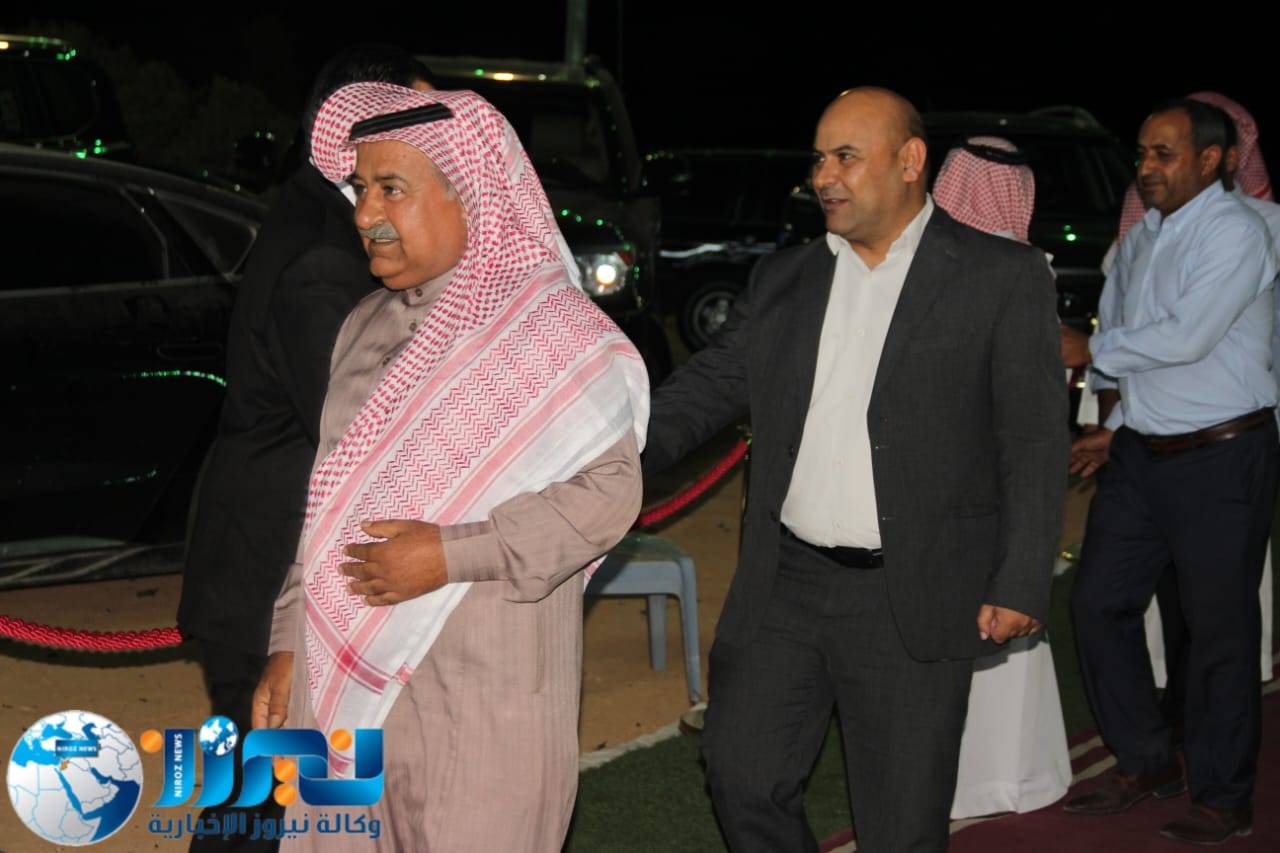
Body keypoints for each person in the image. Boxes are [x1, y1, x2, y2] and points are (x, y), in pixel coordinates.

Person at [642, 87, 1066, 852]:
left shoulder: (998, 276)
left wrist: (1021, 577)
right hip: (786, 583)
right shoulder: (787, 278)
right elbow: (707, 388)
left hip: (911, 592)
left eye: (845, 156)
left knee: (901, 824)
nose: (823, 176)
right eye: (818, 159)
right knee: (741, 774)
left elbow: (1033, 439)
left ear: (910, 161)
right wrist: (606, 449)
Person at [252, 82, 648, 851]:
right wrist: (288, 643)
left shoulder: (552, 333)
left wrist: (448, 554)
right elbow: (327, 512)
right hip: (343, 681)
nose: (364, 214)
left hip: (483, 703)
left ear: (470, 195)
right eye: (360, 189)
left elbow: (608, 495)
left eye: (390, 189)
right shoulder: (360, 327)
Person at [177, 44, 432, 852]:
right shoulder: (324, 258)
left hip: (268, 565)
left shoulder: (322, 222)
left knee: (267, 814)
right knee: (265, 819)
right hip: (272, 580)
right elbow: (359, 434)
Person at [1065, 99, 1278, 844]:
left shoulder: (1237, 232)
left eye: (1164, 154)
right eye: (1142, 153)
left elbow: (1187, 338)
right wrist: (1113, 424)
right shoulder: (1142, 238)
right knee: (1098, 603)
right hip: (1142, 454)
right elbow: (1133, 340)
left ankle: (1224, 794)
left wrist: (1089, 352)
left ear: (1212, 160)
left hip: (1221, 455)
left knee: (1219, 629)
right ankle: (1148, 758)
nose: (1145, 167)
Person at [931, 137, 1072, 820]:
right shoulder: (921, 264)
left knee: (999, 608)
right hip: (942, 469)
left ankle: (1005, 777)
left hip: (993, 469)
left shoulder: (1024, 269)